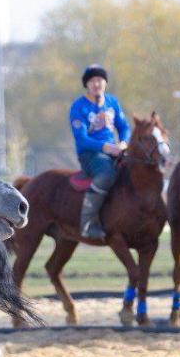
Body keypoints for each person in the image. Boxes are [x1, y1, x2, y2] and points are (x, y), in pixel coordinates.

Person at [68, 65, 130, 240]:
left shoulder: (112, 102)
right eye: (92, 81)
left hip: (115, 150)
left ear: (105, 83)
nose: (96, 84)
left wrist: (124, 143)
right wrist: (106, 147)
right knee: (106, 174)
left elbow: (124, 127)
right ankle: (87, 224)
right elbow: (82, 139)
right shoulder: (78, 107)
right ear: (87, 85)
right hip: (90, 155)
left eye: (100, 80)